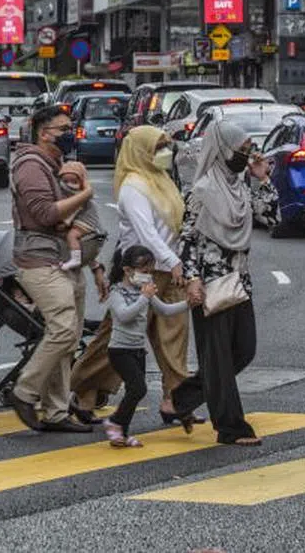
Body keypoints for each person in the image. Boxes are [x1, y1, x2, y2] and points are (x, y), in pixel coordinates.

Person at [170, 120, 278, 446]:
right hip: (211, 285)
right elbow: (186, 240)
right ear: (223, 151)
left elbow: (271, 217)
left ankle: (183, 398)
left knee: (244, 350)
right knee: (218, 357)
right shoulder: (201, 191)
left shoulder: (241, 187)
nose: (246, 156)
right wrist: (191, 280)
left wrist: (263, 179)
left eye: (248, 150)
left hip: (239, 282)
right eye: (241, 150)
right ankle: (231, 427)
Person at [70, 125, 184, 425]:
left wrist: (178, 261)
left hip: (169, 269)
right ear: (141, 151)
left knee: (174, 336)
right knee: (117, 339)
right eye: (158, 147)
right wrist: (172, 260)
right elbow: (146, 232)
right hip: (140, 272)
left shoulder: (162, 180)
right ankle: (84, 388)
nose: (164, 153)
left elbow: (172, 229)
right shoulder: (134, 186)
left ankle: (176, 398)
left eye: (166, 147)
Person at [7, 105, 96, 433]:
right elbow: (45, 215)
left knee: (69, 336)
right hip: (39, 259)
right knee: (62, 328)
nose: (69, 133)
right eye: (62, 128)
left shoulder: (54, 163)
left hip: (61, 258)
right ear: (43, 133)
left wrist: (95, 263)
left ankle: (57, 410)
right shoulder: (31, 166)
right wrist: (85, 193)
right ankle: (24, 392)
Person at [102, 245, 189, 448]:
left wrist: (188, 304)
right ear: (127, 270)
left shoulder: (145, 291)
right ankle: (114, 422)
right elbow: (124, 315)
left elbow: (165, 310)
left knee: (137, 391)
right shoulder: (116, 292)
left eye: (150, 272)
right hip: (119, 350)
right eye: (144, 272)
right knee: (138, 388)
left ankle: (121, 432)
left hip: (137, 350)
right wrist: (144, 297)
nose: (148, 276)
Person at [57, 162, 102, 271]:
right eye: (65, 181)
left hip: (86, 221)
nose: (69, 185)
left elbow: (72, 212)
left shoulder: (80, 196)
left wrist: (65, 223)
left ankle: (75, 258)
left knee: (72, 236)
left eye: (74, 182)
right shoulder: (70, 194)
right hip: (82, 220)